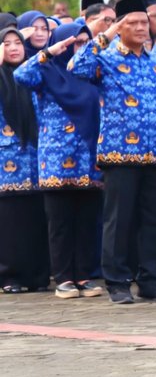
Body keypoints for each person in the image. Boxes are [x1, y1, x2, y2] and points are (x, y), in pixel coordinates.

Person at [69, 0, 156, 304]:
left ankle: (149, 280)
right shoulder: (106, 58)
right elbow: (76, 67)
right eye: (130, 23)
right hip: (120, 154)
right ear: (120, 27)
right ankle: (117, 281)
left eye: (143, 22)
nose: (139, 28)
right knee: (119, 221)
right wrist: (105, 35)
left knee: (153, 220)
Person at [13, 22, 103, 298]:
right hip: (56, 160)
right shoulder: (46, 73)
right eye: (75, 43)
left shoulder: (92, 75)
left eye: (85, 42)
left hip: (88, 158)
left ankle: (84, 276)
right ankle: (64, 278)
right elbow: (20, 74)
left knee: (87, 221)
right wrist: (50, 51)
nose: (80, 48)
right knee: (61, 223)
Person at [0, 25, 46, 293]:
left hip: (34, 160)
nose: (14, 47)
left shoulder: (30, 77)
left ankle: (37, 275)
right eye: (7, 43)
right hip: (7, 163)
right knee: (10, 223)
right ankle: (10, 277)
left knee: (35, 219)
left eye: (18, 42)